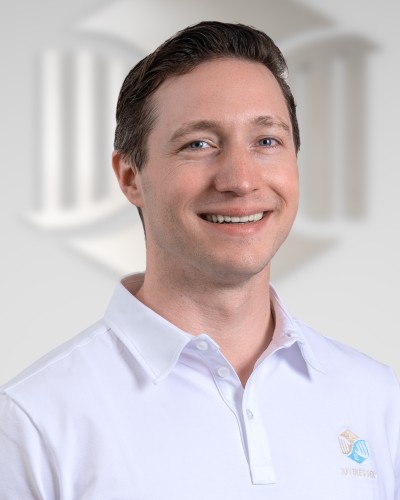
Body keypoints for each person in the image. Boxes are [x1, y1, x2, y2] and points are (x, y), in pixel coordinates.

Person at [0, 21, 399, 499]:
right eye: (199, 144)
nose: (241, 180)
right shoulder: (32, 422)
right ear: (130, 177)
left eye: (266, 141)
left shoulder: (376, 397)